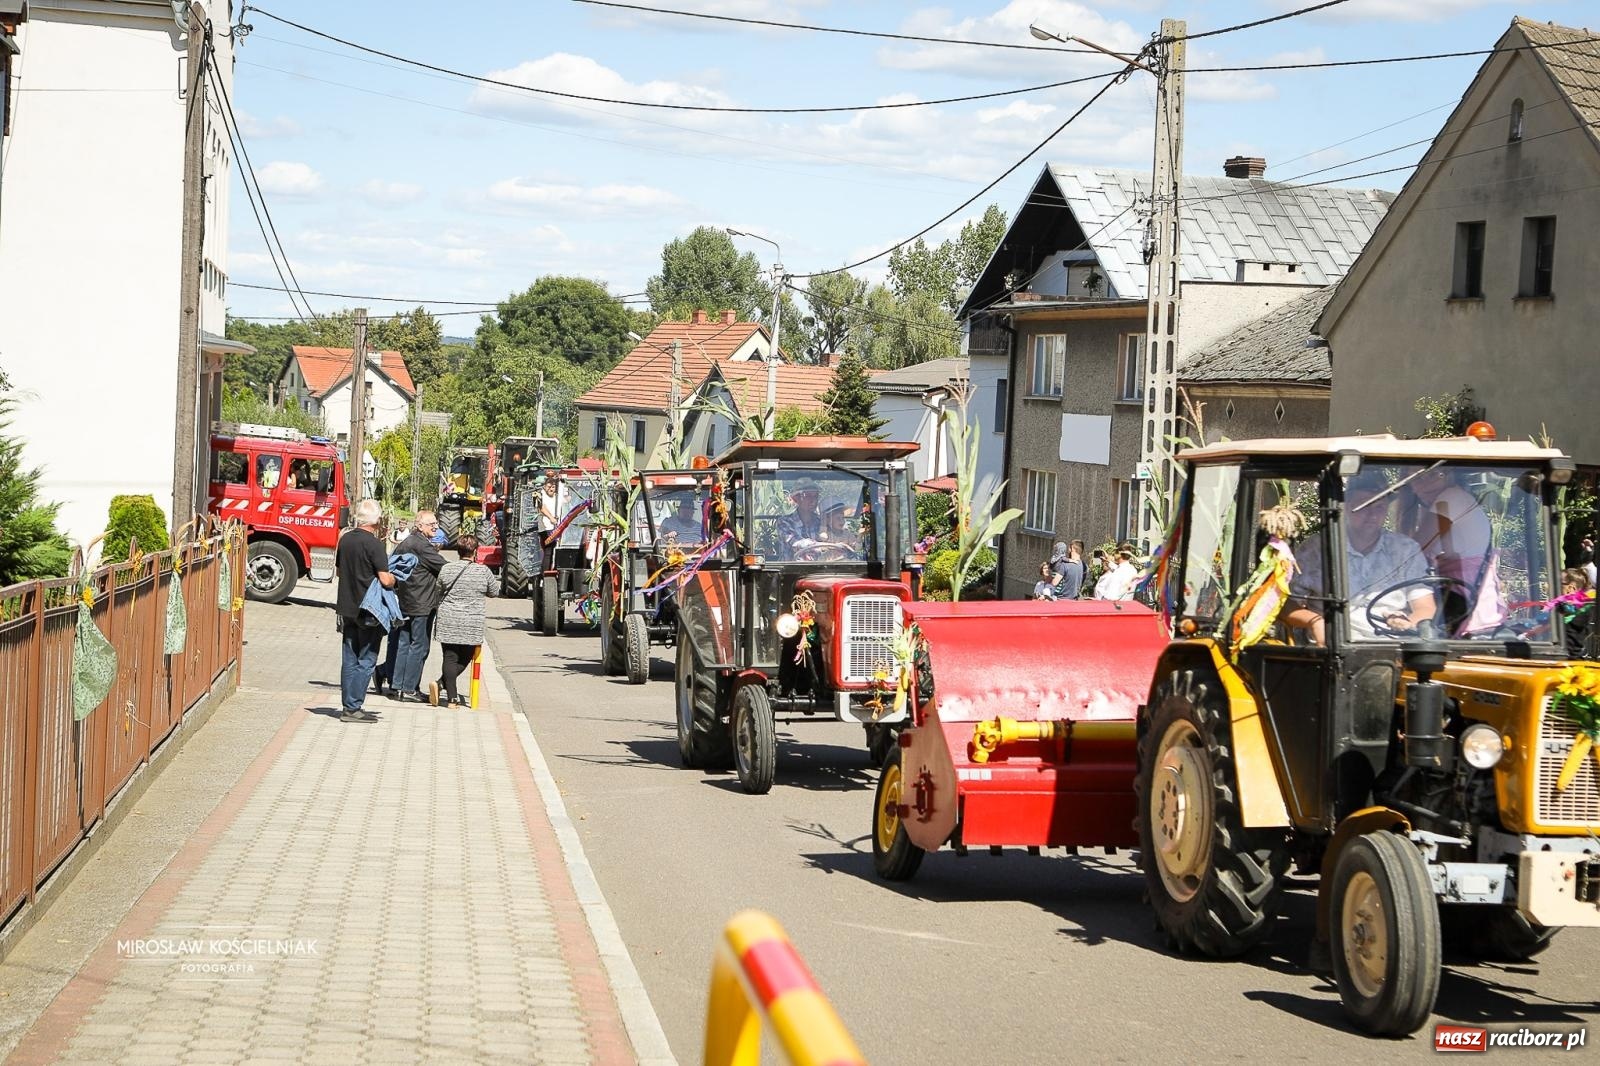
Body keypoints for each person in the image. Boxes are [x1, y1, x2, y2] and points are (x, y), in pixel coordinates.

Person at [1287, 473, 1436, 645]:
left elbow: (1424, 606)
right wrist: (1315, 622)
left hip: (1391, 647)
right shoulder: (1316, 548)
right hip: (1331, 647)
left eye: (1379, 507)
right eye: (1364, 506)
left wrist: (1408, 623)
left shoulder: (1405, 549)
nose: (1372, 515)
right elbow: (1285, 603)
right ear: (1346, 507)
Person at [336, 499, 395, 722]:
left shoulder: (345, 540)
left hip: (346, 606)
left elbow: (340, 572)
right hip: (369, 610)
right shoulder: (374, 545)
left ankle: (347, 705)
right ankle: (353, 707)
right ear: (377, 521)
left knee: (349, 658)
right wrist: (395, 579)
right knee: (367, 659)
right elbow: (385, 579)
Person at [431, 536, 500, 708]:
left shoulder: (446, 569)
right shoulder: (483, 571)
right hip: (471, 621)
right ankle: (441, 685)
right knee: (466, 657)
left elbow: (438, 590)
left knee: (449, 656)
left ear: (458, 551)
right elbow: (494, 592)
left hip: (448, 618)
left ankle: (451, 699)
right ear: (475, 551)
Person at [388, 510, 445, 703]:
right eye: (432, 524)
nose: (435, 527)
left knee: (404, 644)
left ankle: (397, 687)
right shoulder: (422, 546)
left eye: (436, 523)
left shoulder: (406, 543)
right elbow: (444, 567)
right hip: (422, 603)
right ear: (420, 526)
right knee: (419, 646)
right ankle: (410, 688)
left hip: (405, 600)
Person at [1404, 466, 1491, 583]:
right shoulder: (1430, 508)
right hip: (1453, 586)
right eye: (1418, 478)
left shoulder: (1451, 497)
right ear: (1411, 486)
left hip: (1459, 591)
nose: (1427, 484)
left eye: (1433, 475)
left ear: (1448, 476)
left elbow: (1413, 554)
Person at [777, 478, 824, 555]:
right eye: (808, 496)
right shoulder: (784, 522)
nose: (813, 500)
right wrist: (824, 546)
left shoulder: (822, 522)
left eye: (815, 496)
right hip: (791, 567)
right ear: (796, 499)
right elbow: (796, 543)